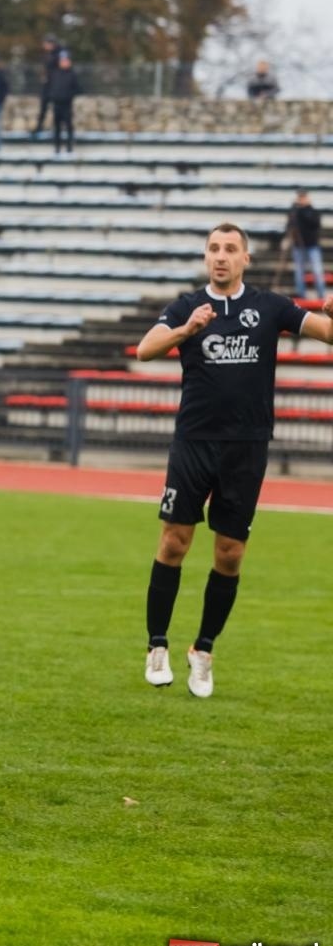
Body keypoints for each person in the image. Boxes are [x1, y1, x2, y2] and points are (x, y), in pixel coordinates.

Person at [134, 224, 333, 697]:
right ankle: (157, 645)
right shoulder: (186, 306)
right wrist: (188, 330)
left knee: (230, 553)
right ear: (206, 257)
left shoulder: (270, 306)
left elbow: (326, 332)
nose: (220, 257)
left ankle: (202, 651)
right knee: (174, 543)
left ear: (246, 259)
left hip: (247, 446)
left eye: (230, 250)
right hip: (194, 441)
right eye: (213, 249)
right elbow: (145, 350)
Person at [286, 190, 325, 301]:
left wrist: (302, 210)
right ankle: (301, 295)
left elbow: (315, 223)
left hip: (312, 245)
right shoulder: (294, 212)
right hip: (298, 246)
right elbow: (289, 225)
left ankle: (321, 295)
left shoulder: (313, 211)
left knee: (317, 271)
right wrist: (295, 209)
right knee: (299, 271)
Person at [45, 52, 81, 156]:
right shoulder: (55, 74)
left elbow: (78, 89)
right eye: (62, 60)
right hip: (56, 103)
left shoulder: (72, 74)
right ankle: (57, 147)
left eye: (66, 60)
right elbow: (49, 87)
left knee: (69, 126)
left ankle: (69, 147)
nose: (64, 63)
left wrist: (69, 95)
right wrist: (52, 96)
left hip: (67, 104)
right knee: (57, 127)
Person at [30, 34, 65, 137]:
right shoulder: (48, 55)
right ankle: (40, 126)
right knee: (43, 106)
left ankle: (57, 127)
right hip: (47, 84)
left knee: (57, 108)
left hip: (56, 85)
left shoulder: (58, 54)